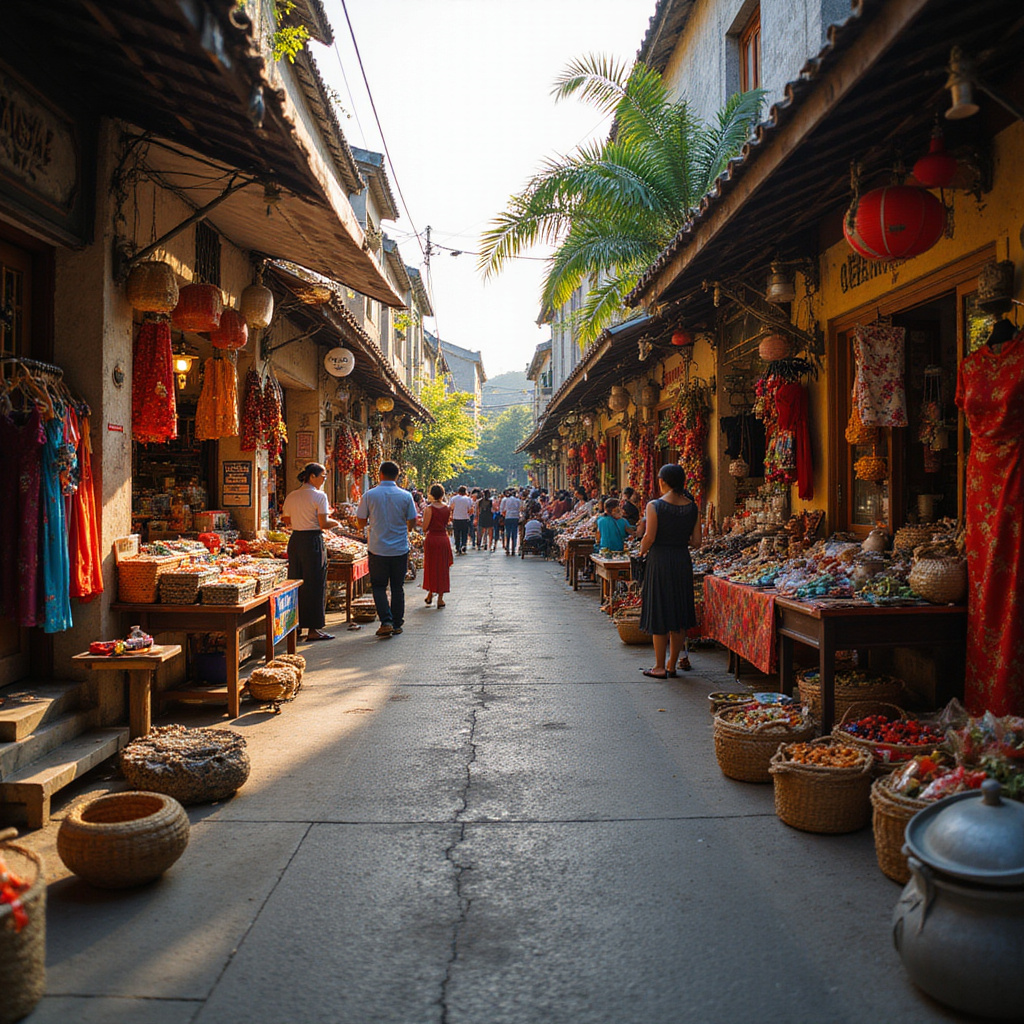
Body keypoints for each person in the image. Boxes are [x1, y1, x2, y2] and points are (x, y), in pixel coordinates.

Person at [638, 464, 700, 678]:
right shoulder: (692, 507)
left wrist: (640, 551)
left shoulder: (654, 506)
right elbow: (697, 541)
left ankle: (658, 666)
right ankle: (672, 664)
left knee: (659, 610)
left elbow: (650, 537)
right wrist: (679, 539)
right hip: (682, 560)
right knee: (679, 611)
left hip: (660, 560)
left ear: (662, 481)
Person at [356, 461, 418, 638]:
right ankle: (397, 623)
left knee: (378, 586)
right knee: (397, 587)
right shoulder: (406, 496)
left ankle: (386, 621)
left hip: (377, 548)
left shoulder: (369, 495)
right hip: (399, 548)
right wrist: (406, 529)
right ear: (397, 476)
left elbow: (360, 521)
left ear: (380, 474)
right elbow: (412, 520)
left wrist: (371, 524)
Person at [281, 462, 341, 642]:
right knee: (315, 583)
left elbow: (286, 520)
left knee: (296, 580)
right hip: (313, 541)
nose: (324, 479)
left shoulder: (292, 495)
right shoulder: (319, 496)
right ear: (312, 476)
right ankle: (313, 629)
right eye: (323, 476)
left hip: (296, 540)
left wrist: (301, 521)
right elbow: (324, 524)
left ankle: (296, 627)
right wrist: (337, 523)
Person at [421, 484, 453, 608]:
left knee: (431, 567)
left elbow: (425, 527)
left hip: (432, 539)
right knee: (443, 568)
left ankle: (430, 593)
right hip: (443, 539)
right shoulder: (447, 508)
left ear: (431, 494)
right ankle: (440, 598)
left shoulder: (429, 509)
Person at [450, 485, 473, 555]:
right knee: (464, 533)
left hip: (456, 518)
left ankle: (457, 547)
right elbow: (470, 510)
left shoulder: (453, 499)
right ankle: (463, 545)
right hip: (465, 518)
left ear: (458, 492)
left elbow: (450, 508)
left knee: (457, 534)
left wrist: (451, 516)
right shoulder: (468, 499)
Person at [502, 489, 522, 555]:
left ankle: (507, 547)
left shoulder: (505, 500)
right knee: (514, 533)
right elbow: (520, 509)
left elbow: (501, 509)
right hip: (515, 517)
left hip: (508, 517)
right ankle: (513, 548)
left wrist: (505, 514)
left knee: (508, 533)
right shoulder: (518, 501)